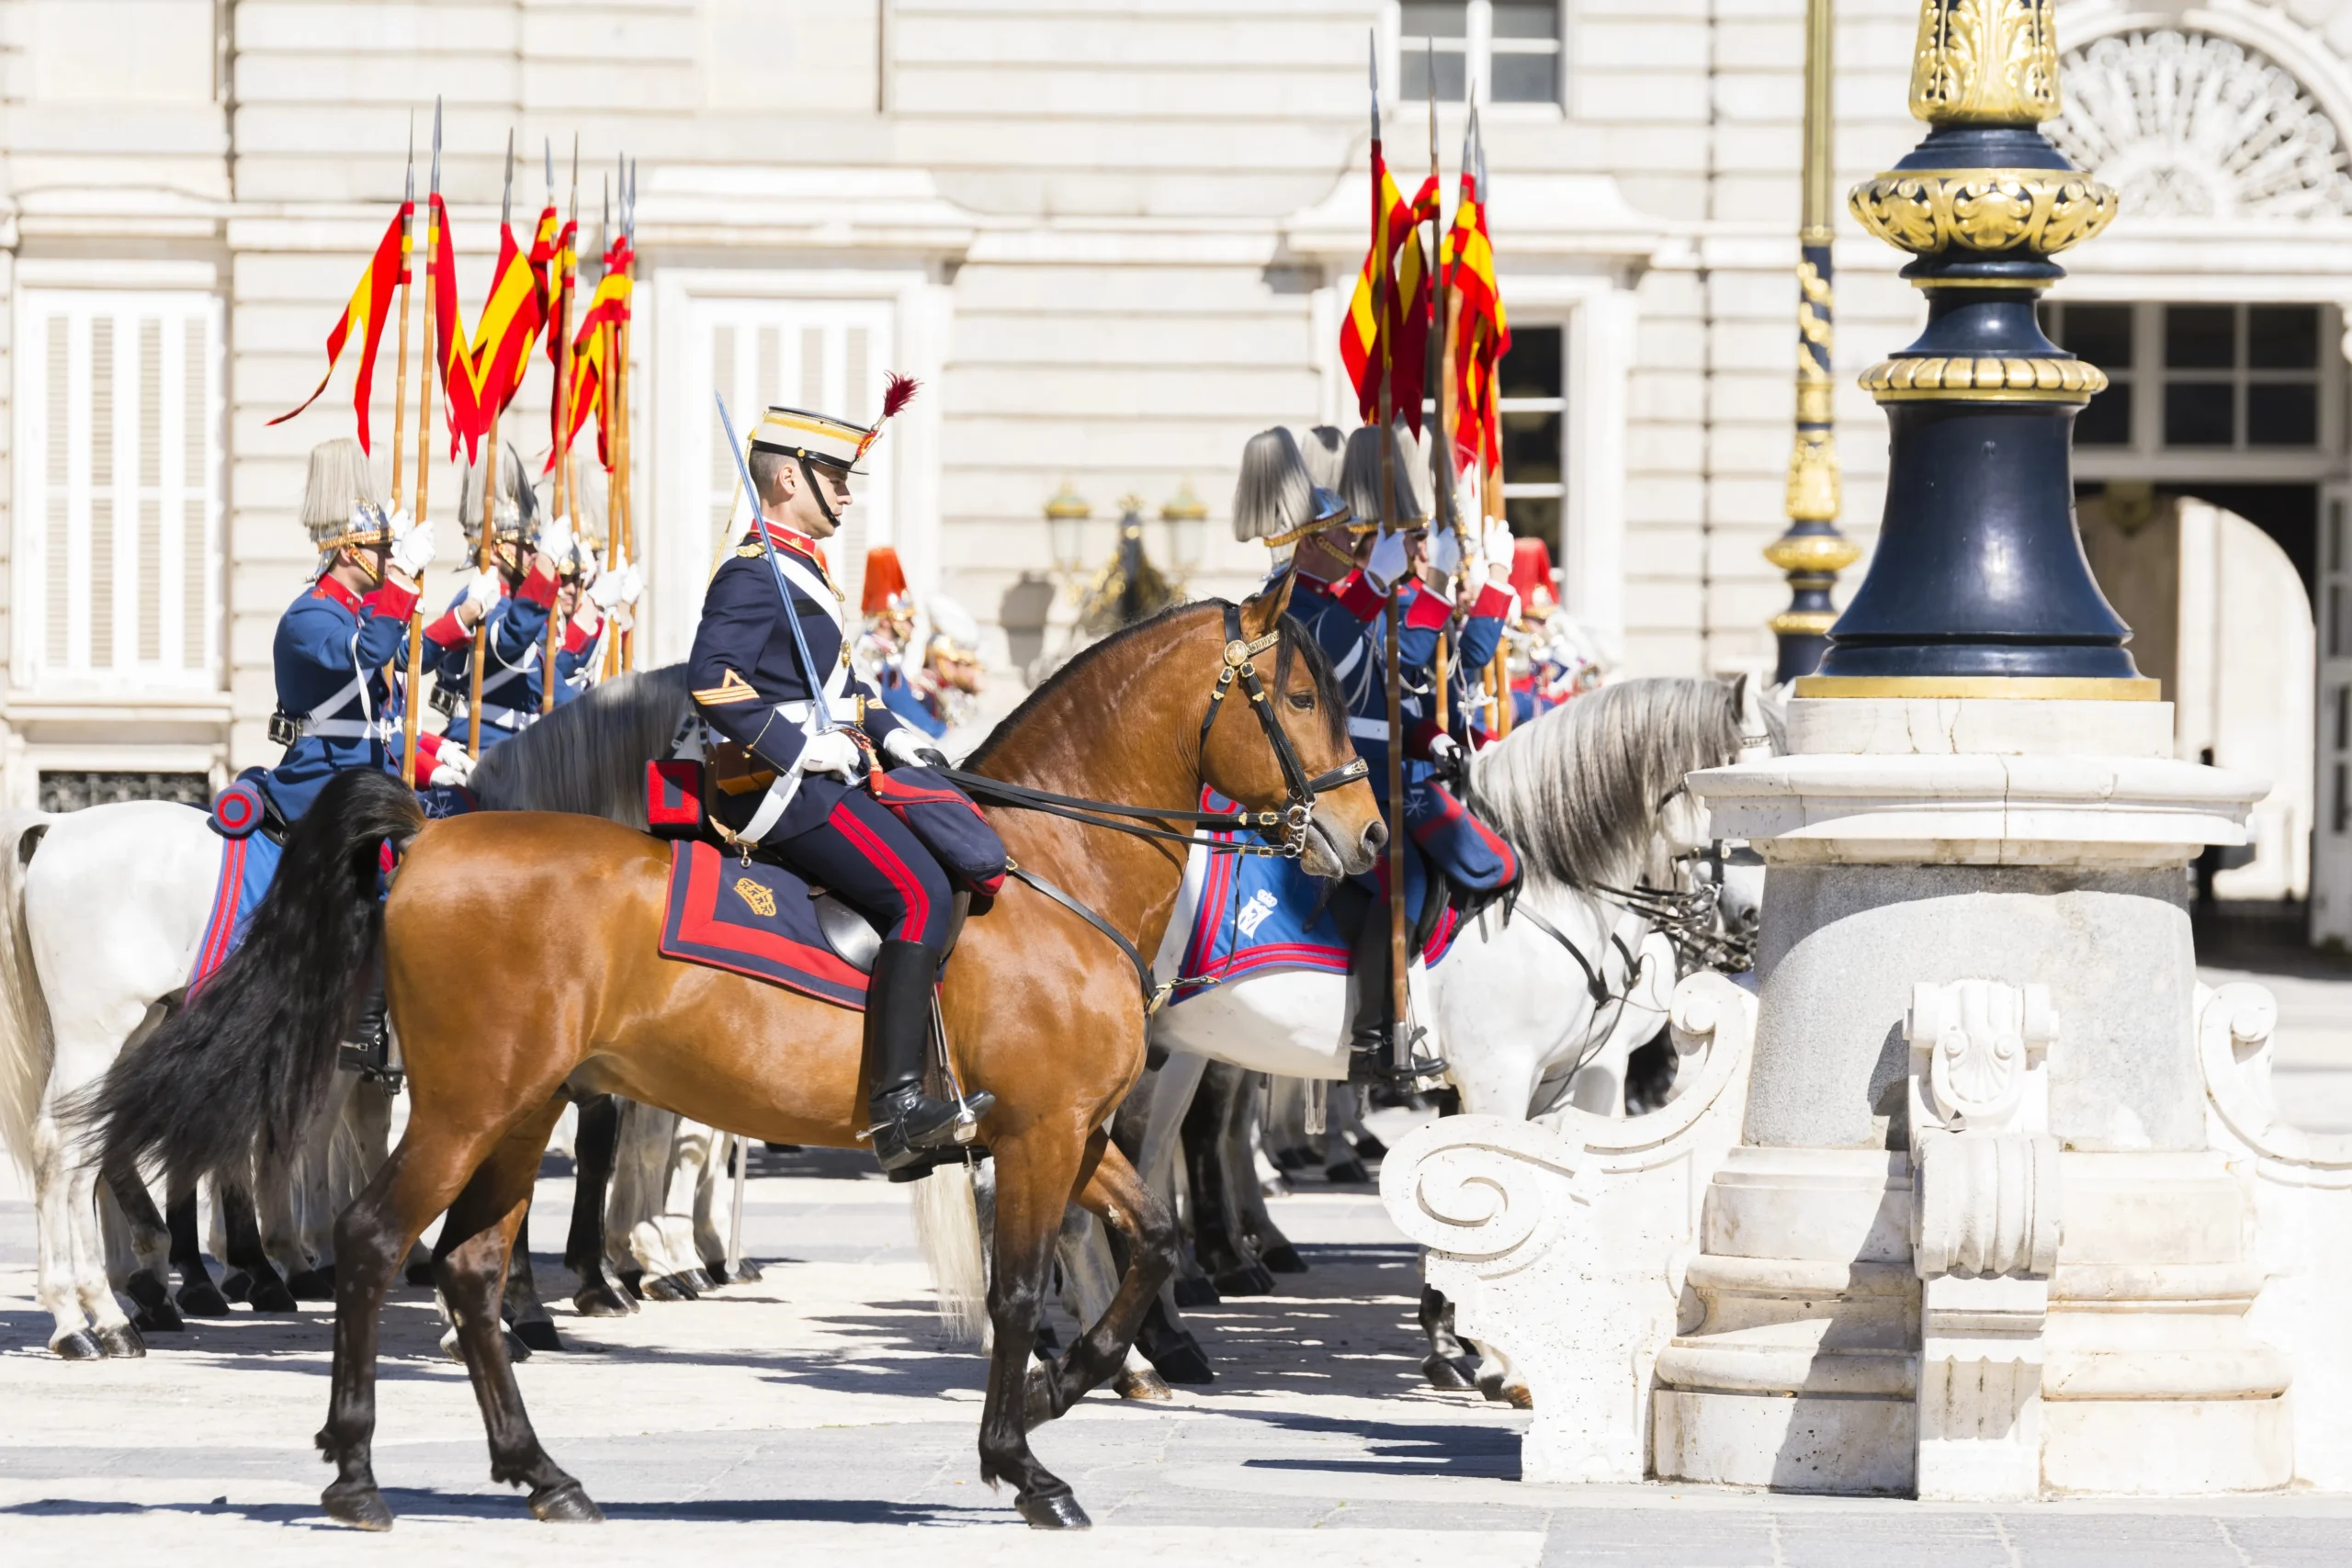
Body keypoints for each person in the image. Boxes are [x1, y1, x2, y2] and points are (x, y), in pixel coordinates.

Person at [688, 401, 985, 1173]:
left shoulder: (802, 569)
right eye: (835, 479)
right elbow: (712, 683)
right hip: (778, 786)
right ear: (789, 477)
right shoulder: (754, 573)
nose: (847, 496)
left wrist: (896, 733)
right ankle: (895, 1106)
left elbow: (841, 687)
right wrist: (799, 746)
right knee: (918, 892)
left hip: (831, 766)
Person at [1238, 423, 1518, 1080]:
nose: (1356, 544)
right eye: (1344, 535)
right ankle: (1374, 1035)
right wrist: (1390, 586)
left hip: (1372, 773)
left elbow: (1383, 696)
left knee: (1434, 871)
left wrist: (1430, 734)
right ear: (1309, 541)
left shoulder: (1343, 599)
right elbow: (1322, 656)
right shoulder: (1289, 604)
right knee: (1407, 878)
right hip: (1318, 787)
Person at [264, 438, 470, 824]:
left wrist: (434, 759)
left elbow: (401, 656)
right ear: (348, 552)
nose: (389, 557)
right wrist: (401, 574)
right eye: (383, 548)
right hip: (327, 780)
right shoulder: (309, 614)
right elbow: (370, 651)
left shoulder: (354, 611)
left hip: (370, 775)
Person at [433, 443, 581, 749]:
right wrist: (547, 564)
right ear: (498, 550)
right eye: (525, 544)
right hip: (482, 745)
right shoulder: (474, 600)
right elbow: (508, 639)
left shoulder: (518, 605)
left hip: (520, 747)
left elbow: (554, 688)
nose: (533, 551)